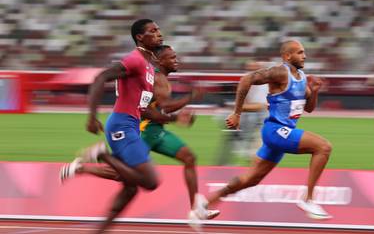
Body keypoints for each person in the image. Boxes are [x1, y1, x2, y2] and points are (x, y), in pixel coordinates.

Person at [62, 45, 220, 221]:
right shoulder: (158, 79)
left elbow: (162, 108)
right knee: (124, 174)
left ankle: (196, 209)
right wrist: (190, 98)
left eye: (176, 57)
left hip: (156, 130)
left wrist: (178, 115)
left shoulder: (163, 79)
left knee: (189, 157)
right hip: (143, 131)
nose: (177, 60)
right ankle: (81, 167)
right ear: (160, 61)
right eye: (172, 57)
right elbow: (165, 107)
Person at [192, 40, 333, 221]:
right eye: (299, 52)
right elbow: (246, 79)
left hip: (281, 135)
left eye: (304, 52)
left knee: (251, 179)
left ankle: (205, 203)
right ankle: (308, 198)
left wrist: (314, 91)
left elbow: (309, 108)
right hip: (275, 131)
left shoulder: (302, 77)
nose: (304, 55)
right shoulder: (280, 72)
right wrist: (237, 113)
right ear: (287, 56)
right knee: (323, 147)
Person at [60, 19, 164, 233]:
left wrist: (169, 118)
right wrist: (91, 116)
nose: (159, 34)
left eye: (159, 30)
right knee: (150, 181)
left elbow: (142, 107)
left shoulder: (149, 69)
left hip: (130, 126)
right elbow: (101, 77)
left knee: (129, 188)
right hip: (121, 126)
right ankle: (102, 154)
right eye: (153, 31)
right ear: (140, 37)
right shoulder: (134, 60)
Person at [217, 60, 269, 165]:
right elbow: (244, 101)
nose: (251, 72)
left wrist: (238, 108)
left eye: (254, 69)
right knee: (224, 120)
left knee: (256, 156)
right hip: (251, 118)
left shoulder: (264, 85)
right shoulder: (247, 82)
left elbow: (261, 106)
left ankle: (241, 147)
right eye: (249, 69)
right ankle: (239, 147)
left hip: (263, 121)